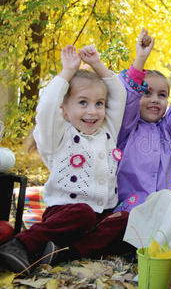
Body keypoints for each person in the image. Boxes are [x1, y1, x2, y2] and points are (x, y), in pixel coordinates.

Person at [0, 44, 128, 273]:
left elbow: (119, 95)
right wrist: (67, 72)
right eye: (83, 102)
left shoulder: (107, 131)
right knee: (83, 214)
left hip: (100, 215)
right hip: (66, 214)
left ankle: (62, 253)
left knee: (124, 219)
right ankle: (20, 244)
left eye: (99, 103)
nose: (93, 111)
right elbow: (47, 106)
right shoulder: (58, 136)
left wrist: (98, 65)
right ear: (64, 109)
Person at [115, 28, 171, 212]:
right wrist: (140, 60)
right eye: (147, 93)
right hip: (131, 208)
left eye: (162, 95)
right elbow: (129, 99)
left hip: (167, 207)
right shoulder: (125, 127)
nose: (155, 99)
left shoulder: (168, 131)